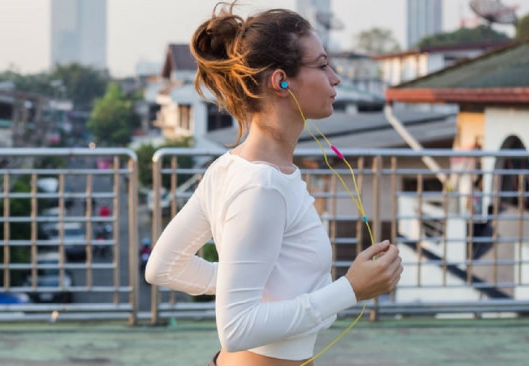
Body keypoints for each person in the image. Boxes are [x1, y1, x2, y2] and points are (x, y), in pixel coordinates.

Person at [145, 3, 403, 365]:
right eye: (323, 64)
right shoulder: (262, 186)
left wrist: (251, 283)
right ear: (281, 81)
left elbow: (163, 267)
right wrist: (350, 289)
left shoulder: (231, 167)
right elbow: (236, 329)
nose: (335, 77)